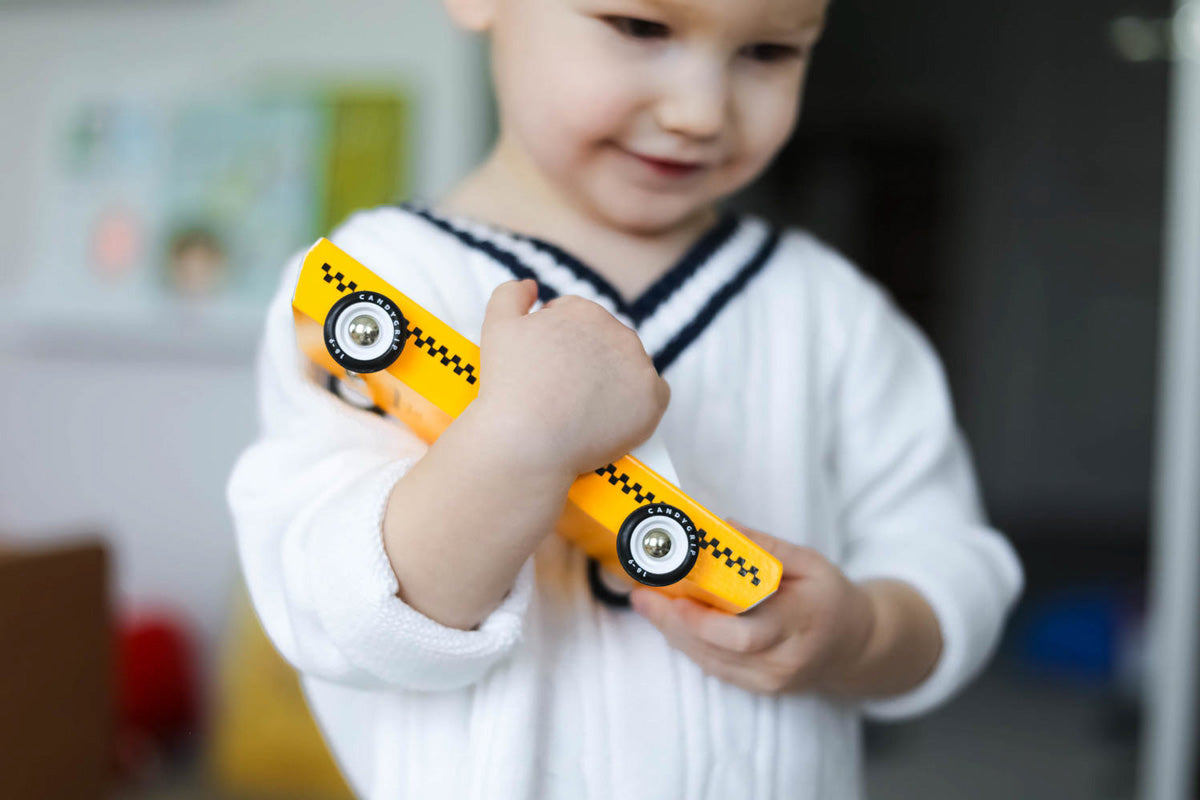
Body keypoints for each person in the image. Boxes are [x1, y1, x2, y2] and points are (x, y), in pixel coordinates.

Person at [225, 0, 1024, 797]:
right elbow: (339, 613)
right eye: (641, 28)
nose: (700, 112)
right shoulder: (374, 287)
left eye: (769, 52)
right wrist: (514, 442)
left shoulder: (836, 313)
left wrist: (865, 633)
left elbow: (951, 560)